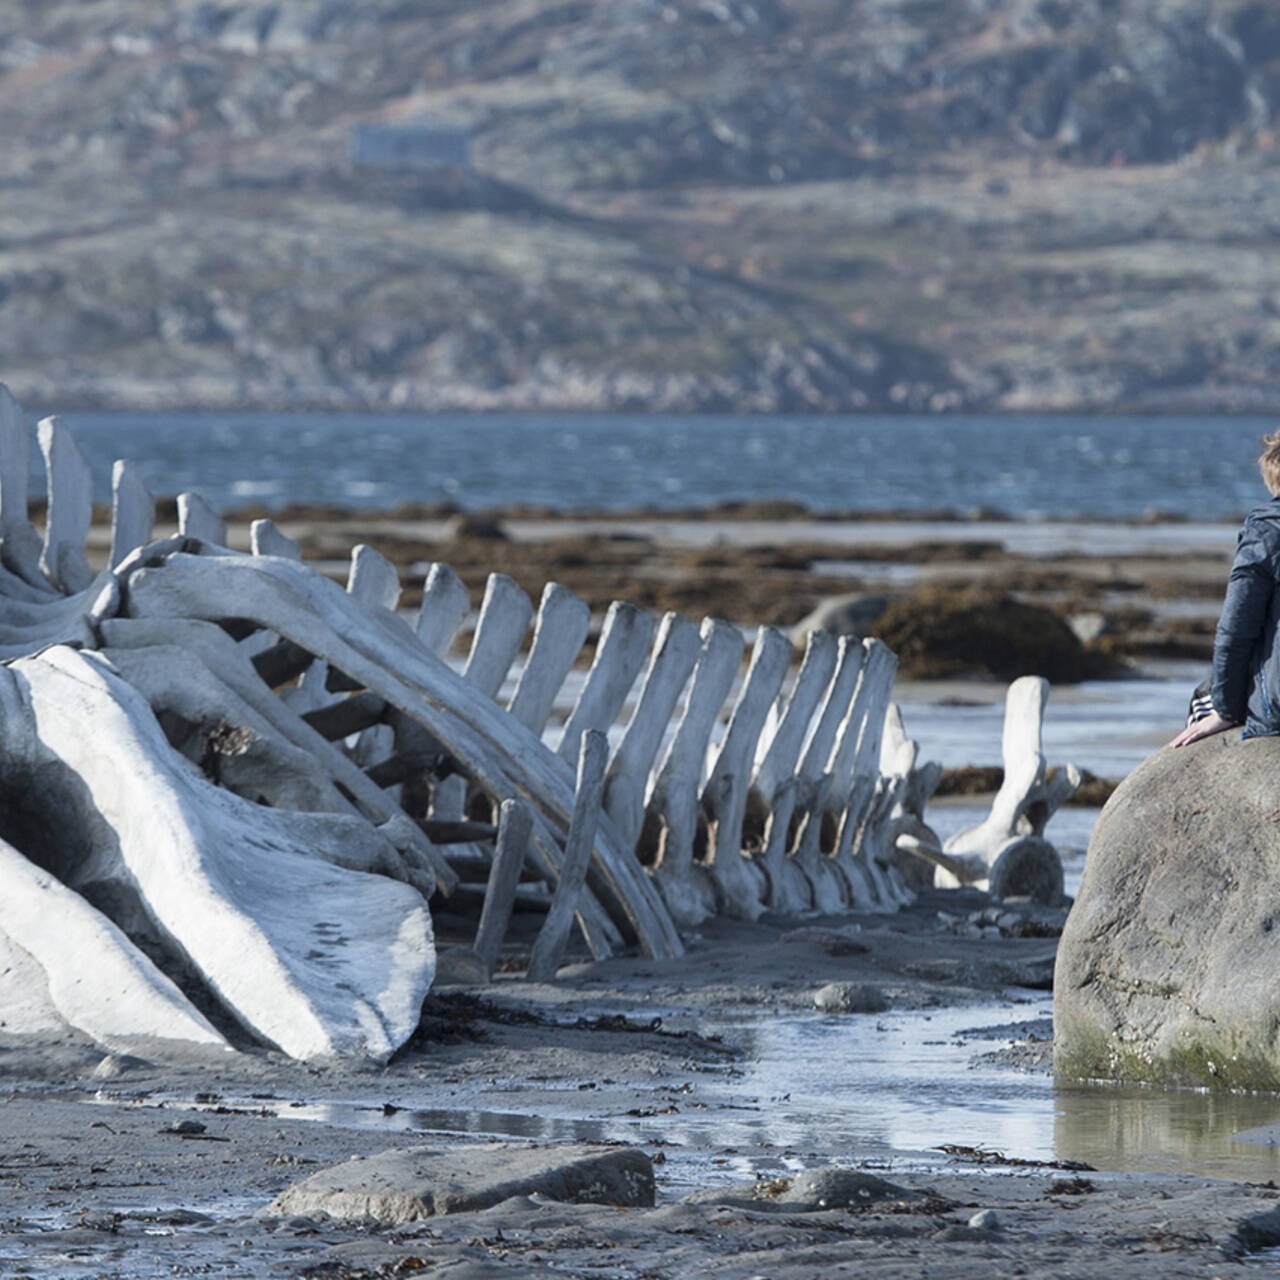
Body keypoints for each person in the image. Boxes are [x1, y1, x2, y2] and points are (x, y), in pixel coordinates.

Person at [1171, 430, 1280, 747]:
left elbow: (1235, 630)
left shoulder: (1266, 533)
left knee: (1202, 700)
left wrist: (1226, 709)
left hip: (1275, 703)